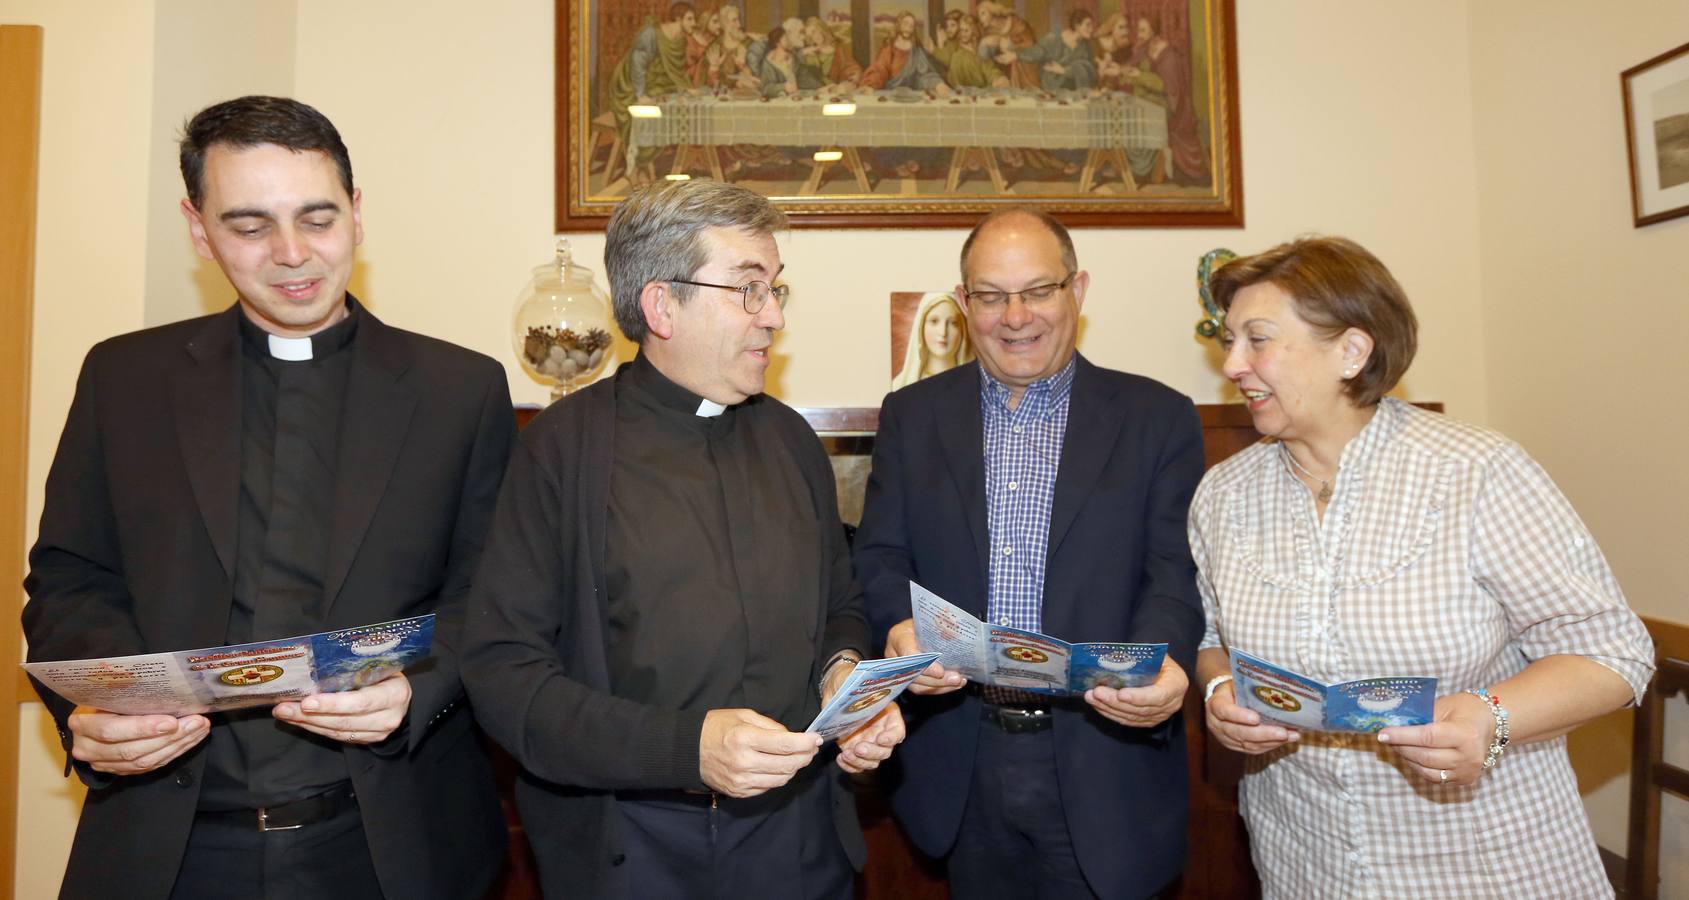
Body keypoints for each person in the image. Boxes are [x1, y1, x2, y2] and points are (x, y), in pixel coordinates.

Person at [21, 95, 511, 899]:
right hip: (169, 842)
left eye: (317, 218)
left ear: (356, 212)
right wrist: (106, 710)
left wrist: (414, 692)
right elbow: (71, 580)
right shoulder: (124, 379)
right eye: (250, 226)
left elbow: (492, 597)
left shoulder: (460, 388)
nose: (292, 254)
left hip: (389, 841)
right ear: (198, 227)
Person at [463, 179, 902, 900]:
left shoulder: (790, 440)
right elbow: (506, 678)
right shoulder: (561, 452)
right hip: (633, 848)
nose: (772, 319)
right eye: (748, 290)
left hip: (800, 842)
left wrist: (843, 679)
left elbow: (841, 606)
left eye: (776, 290)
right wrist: (686, 749)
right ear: (662, 305)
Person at [1191, 236, 1655, 897]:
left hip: (1485, 864)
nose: (1232, 364)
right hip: (1305, 860)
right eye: (1228, 340)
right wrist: (1219, 694)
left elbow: (1612, 651)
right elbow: (1212, 643)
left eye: (1256, 339)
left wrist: (1488, 717)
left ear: (1351, 351)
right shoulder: (1223, 495)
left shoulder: (1474, 472)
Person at [854, 208, 1205, 899]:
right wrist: (899, 625)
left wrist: (1157, 664)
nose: (1014, 317)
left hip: (1103, 755)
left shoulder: (1157, 416)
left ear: (1077, 289)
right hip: (960, 751)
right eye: (989, 295)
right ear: (962, 305)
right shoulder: (912, 415)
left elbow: (1172, 573)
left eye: (1037, 290)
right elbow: (878, 556)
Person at [996, 10, 1099, 92]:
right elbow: (1036, 52)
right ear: (1077, 26)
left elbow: (1089, 70)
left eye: (1091, 25)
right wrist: (1016, 55)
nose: (1091, 28)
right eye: (1088, 25)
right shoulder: (1054, 39)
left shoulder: (1085, 47)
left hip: (1074, 90)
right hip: (1053, 87)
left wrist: (1065, 71)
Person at [891, 291, 972, 390]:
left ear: (962, 330)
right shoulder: (899, 386)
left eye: (953, 323)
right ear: (921, 327)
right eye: (934, 321)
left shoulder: (976, 387)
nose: (943, 332)